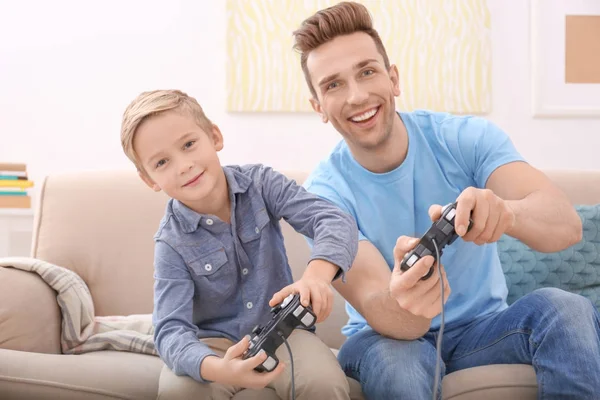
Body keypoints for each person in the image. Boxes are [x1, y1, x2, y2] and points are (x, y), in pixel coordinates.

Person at [290, 2, 600, 399]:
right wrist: (406, 298)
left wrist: (507, 214)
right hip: (384, 338)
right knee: (397, 360)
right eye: (333, 85)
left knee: (567, 310)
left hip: (483, 331)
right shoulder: (322, 198)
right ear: (318, 107)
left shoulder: (462, 139)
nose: (357, 95)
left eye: (367, 71)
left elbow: (566, 226)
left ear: (393, 78)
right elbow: (382, 309)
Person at [119, 89, 358, 400]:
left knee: (323, 383)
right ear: (149, 179)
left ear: (214, 137)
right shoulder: (170, 242)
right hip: (213, 345)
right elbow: (171, 330)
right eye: (162, 162)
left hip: (284, 332)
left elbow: (332, 220)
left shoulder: (261, 183)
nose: (183, 165)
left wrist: (317, 276)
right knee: (180, 392)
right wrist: (215, 368)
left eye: (189, 145)